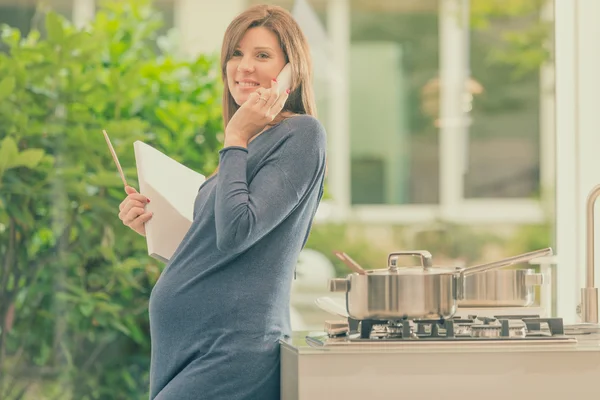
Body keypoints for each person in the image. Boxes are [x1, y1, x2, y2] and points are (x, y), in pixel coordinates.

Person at [117, 4, 327, 400]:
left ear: (290, 71)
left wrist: (235, 139)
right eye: (236, 53)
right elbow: (227, 254)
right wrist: (153, 226)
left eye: (262, 55)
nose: (244, 66)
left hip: (235, 349)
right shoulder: (250, 146)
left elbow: (237, 232)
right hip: (187, 347)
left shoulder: (301, 135)